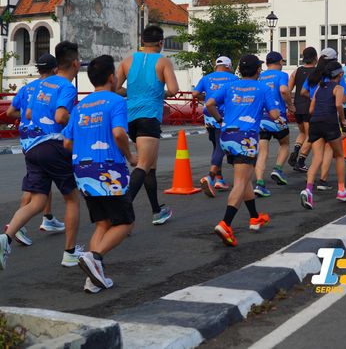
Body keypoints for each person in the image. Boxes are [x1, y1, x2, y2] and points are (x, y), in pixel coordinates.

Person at [1, 41, 82, 271]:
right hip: (52, 145)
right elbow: (60, 117)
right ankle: (69, 253)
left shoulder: (34, 87)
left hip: (31, 148)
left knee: (37, 200)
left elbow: (21, 112)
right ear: (75, 64)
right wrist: (78, 123)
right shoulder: (66, 86)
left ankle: (6, 237)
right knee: (72, 199)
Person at [62, 55, 138, 293]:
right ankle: (94, 257)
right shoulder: (116, 101)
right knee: (126, 223)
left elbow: (66, 143)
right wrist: (130, 156)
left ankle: (93, 279)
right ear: (111, 78)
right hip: (109, 169)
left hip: (83, 171)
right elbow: (118, 133)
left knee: (103, 223)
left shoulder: (79, 107)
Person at [206, 54, 278, 246]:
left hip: (226, 136)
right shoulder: (263, 88)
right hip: (246, 137)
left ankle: (254, 217)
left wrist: (219, 119)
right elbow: (274, 114)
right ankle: (225, 223)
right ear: (258, 70)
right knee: (240, 181)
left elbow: (209, 104)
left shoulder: (230, 86)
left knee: (244, 179)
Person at [115, 25, 179, 224]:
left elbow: (115, 87)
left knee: (150, 166)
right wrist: (160, 93)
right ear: (161, 42)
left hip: (131, 118)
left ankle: (156, 210)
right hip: (149, 116)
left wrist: (132, 93)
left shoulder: (127, 61)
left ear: (142, 41)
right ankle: (122, 210)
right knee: (144, 165)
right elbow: (174, 90)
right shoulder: (163, 61)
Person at [5, 54, 64, 246]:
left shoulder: (27, 88)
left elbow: (9, 112)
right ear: (55, 69)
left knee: (41, 179)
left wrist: (26, 116)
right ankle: (17, 226)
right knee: (34, 184)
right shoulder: (54, 87)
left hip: (27, 138)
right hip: (45, 138)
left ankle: (48, 217)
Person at [300, 61, 346, 209]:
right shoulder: (338, 88)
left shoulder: (319, 88)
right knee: (339, 155)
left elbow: (311, 110)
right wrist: (343, 120)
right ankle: (341, 190)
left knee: (317, 157)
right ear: (340, 74)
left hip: (315, 123)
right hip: (330, 123)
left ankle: (308, 190)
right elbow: (338, 104)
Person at [192, 56, 238, 197]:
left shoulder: (206, 78)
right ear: (228, 66)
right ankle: (211, 177)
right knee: (220, 147)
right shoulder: (233, 78)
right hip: (223, 116)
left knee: (216, 146)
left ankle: (219, 179)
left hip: (208, 115)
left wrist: (206, 98)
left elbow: (195, 93)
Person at [254, 51, 292, 197]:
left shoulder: (260, 76)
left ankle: (259, 183)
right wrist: (290, 105)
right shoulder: (282, 75)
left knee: (263, 151)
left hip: (262, 117)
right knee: (285, 143)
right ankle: (277, 169)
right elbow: (283, 90)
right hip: (277, 115)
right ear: (280, 62)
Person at [288, 47, 317, 172]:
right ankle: (301, 161)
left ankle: (295, 150)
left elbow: (288, 89)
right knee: (310, 135)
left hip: (298, 106)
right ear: (315, 57)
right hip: (310, 107)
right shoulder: (317, 72)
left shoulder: (296, 71)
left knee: (302, 133)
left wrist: (290, 105)